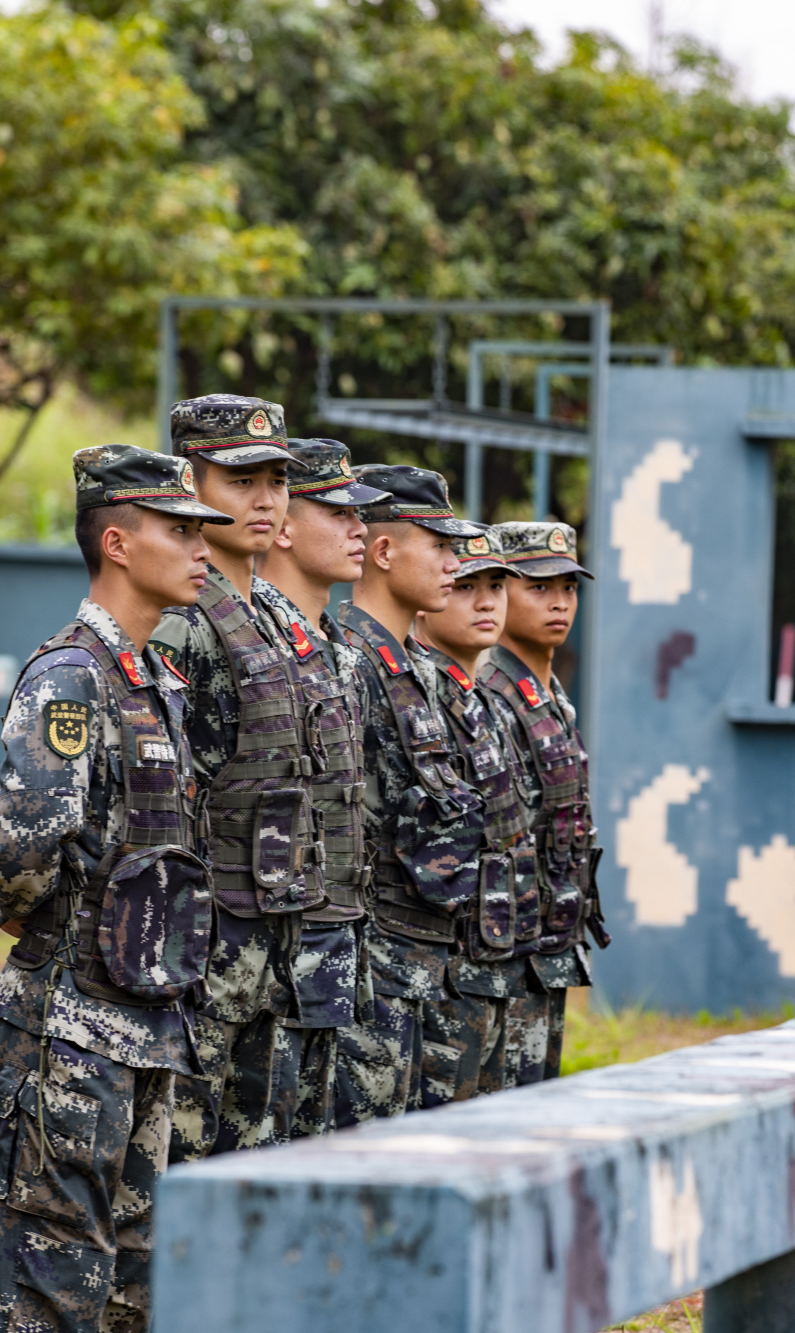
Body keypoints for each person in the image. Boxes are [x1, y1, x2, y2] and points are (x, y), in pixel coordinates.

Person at [0, 444, 233, 1333]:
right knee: (48, 1285)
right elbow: (23, 854)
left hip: (148, 1027)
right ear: (117, 542)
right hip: (70, 1032)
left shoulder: (155, 680)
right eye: (179, 529)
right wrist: (44, 928)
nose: (203, 547)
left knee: (131, 1295)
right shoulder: (71, 677)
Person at [145, 395, 348, 1161]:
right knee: (191, 1169)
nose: (265, 499)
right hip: (208, 954)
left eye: (276, 480)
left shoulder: (269, 615)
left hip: (271, 950)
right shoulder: (183, 625)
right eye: (240, 481)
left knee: (257, 1168)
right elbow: (168, 803)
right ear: (190, 485)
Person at [334, 465, 489, 1119]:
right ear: (385, 549)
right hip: (371, 963)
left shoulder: (420, 670)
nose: (454, 565)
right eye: (441, 546)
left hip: (424, 960)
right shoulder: (346, 660)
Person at [251, 439, 397, 1127]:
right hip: (261, 962)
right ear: (284, 525)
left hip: (333, 949)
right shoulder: (243, 642)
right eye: (338, 512)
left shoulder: (333, 647)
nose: (359, 529)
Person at [479, 521, 606, 1079]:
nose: (560, 603)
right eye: (540, 587)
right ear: (502, 590)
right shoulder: (489, 693)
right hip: (507, 947)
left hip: (548, 942)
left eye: (569, 588)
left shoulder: (548, 693)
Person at [412, 529, 536, 1096]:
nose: (487, 602)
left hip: (496, 957)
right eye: (467, 587)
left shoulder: (486, 703)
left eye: (496, 586)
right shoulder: (420, 698)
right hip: (443, 969)